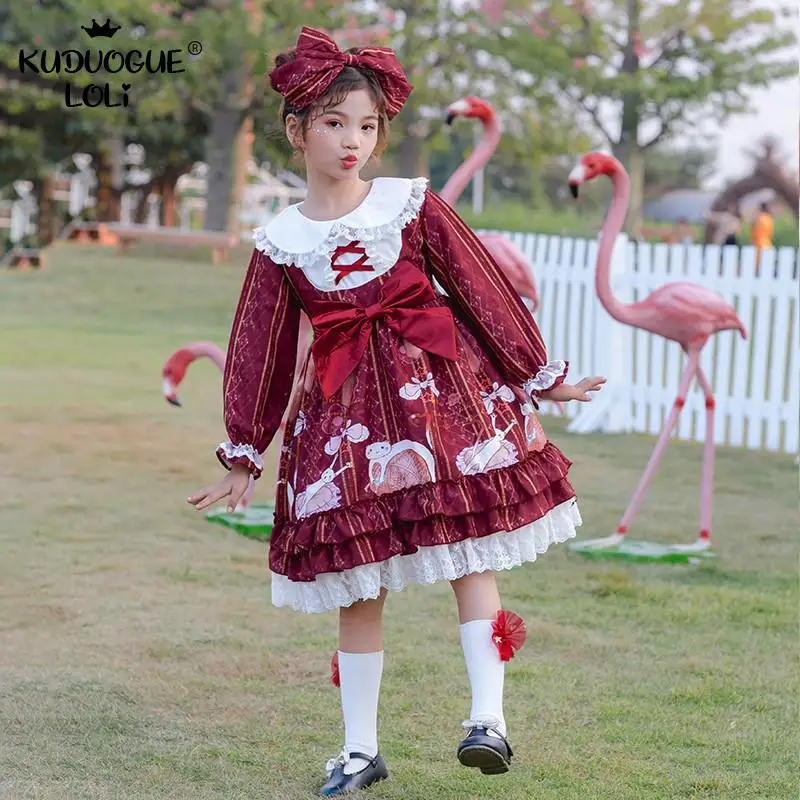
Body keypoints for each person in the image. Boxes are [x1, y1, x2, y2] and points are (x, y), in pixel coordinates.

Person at [188, 26, 605, 797]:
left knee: (472, 553)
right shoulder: (280, 241)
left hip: (442, 404)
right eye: (335, 123)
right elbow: (260, 350)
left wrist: (539, 374)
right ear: (297, 129)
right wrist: (244, 450)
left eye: (368, 125)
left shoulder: (411, 204)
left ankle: (489, 720)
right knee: (358, 585)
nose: (354, 141)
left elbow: (481, 289)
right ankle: (358, 751)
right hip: (346, 430)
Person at [751, 201, 774, 270]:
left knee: (759, 265)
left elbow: (754, 232)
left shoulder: (759, 218)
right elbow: (771, 233)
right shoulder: (769, 218)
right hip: (768, 243)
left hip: (759, 243)